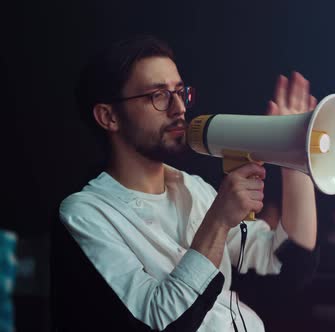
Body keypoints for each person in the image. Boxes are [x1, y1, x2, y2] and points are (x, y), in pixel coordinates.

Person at [59, 35, 318, 331]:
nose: (179, 108)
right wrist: (218, 221)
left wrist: (294, 157)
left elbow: (288, 267)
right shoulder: (86, 214)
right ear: (108, 116)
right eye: (158, 95)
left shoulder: (193, 189)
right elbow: (161, 321)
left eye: (181, 92)